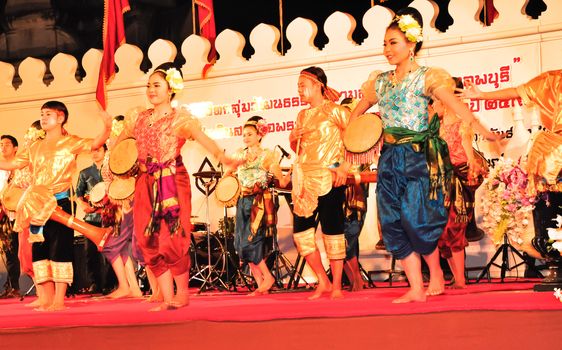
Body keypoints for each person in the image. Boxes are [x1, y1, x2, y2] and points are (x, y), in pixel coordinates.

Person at [350, 7, 500, 303]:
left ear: (412, 44)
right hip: (390, 158)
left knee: (416, 219)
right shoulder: (379, 82)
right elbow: (358, 113)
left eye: (393, 42)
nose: (387, 49)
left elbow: (459, 109)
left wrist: (487, 131)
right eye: (384, 43)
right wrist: (352, 132)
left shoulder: (428, 78)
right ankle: (416, 287)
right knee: (391, 223)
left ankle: (435, 275)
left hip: (420, 158)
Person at [113, 62, 239, 311]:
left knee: (171, 239)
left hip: (172, 180)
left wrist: (223, 157)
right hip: (144, 182)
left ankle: (182, 295)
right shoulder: (137, 117)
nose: (151, 90)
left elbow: (206, 141)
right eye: (148, 85)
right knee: (146, 240)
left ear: (171, 89)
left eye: (157, 85)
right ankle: (167, 297)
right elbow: (120, 149)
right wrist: (119, 168)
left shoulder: (181, 119)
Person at [0, 101, 112, 311]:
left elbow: (96, 143)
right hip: (36, 203)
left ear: (61, 118)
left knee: (59, 249)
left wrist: (106, 127)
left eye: (48, 114)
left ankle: (59, 300)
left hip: (59, 201)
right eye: (41, 114)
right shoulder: (34, 146)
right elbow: (13, 164)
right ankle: (46, 298)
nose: (43, 118)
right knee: (39, 250)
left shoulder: (70, 142)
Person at [462, 70, 562, 264]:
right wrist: (482, 95)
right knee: (551, 209)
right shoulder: (554, 80)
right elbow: (518, 91)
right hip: (556, 152)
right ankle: (555, 261)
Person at [289, 66, 351, 300]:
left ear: (318, 86)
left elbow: (354, 138)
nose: (299, 90)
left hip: (329, 176)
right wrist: (293, 137)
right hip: (305, 179)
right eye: (298, 87)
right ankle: (322, 281)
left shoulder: (337, 111)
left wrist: (344, 166)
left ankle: (336, 285)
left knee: (332, 231)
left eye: (303, 86)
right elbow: (298, 146)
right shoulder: (302, 115)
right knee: (301, 235)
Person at [430, 78, 486, 289]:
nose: (434, 105)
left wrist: (472, 166)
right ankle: (457, 278)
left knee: (453, 229)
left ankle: (460, 280)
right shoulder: (436, 125)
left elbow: (468, 153)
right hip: (442, 181)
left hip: (459, 181)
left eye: (436, 101)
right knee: (442, 232)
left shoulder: (462, 123)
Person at [228, 115, 290, 295]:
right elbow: (228, 174)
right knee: (240, 244)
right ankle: (260, 284)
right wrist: (226, 185)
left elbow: (282, 182)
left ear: (259, 136)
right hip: (242, 201)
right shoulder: (239, 154)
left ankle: (267, 278)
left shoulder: (267, 156)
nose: (246, 137)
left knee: (251, 242)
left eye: (249, 134)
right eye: (244, 134)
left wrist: (289, 176)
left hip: (259, 203)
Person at [76, 144, 114, 294]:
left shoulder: (111, 169)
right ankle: (95, 283)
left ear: (105, 151)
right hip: (92, 217)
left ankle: (111, 283)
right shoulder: (85, 173)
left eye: (98, 150)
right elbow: (79, 194)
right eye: (92, 150)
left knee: (112, 251)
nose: (94, 153)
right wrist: (83, 204)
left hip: (110, 216)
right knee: (90, 252)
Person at [0, 135, 21, 299]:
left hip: (22, 214)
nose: (3, 147)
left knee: (25, 252)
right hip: (6, 216)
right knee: (10, 252)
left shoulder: (22, 167)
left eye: (7, 144)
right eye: (1, 145)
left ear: (15, 148)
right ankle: (13, 286)